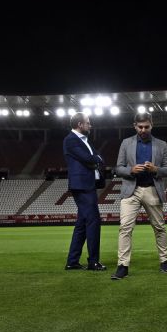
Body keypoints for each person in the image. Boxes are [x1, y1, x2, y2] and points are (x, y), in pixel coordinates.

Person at [111, 112, 167, 280]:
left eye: (146, 127)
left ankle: (164, 261)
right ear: (135, 126)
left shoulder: (161, 145)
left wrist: (155, 169)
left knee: (159, 227)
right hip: (131, 190)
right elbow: (118, 168)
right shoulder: (126, 143)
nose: (143, 130)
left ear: (152, 125)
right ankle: (123, 265)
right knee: (125, 228)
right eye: (140, 127)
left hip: (152, 188)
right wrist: (130, 170)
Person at [63, 112, 106, 271]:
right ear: (80, 124)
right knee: (93, 221)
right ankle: (93, 261)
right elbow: (90, 158)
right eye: (88, 123)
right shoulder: (70, 140)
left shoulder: (85, 140)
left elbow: (97, 157)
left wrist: (97, 158)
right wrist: (97, 158)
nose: (90, 125)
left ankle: (72, 261)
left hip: (88, 184)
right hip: (82, 186)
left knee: (81, 224)